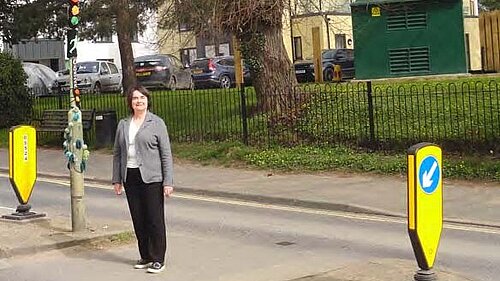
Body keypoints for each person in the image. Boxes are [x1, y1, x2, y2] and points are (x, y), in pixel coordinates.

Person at [112, 85, 174, 274]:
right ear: (130, 102)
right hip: (130, 176)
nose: (138, 101)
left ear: (147, 101)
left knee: (154, 219)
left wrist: (168, 181)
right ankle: (145, 255)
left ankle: (158, 258)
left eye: (142, 98)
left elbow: (166, 154)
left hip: (152, 177)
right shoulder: (123, 124)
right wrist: (117, 179)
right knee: (138, 218)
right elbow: (117, 153)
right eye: (135, 98)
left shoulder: (156, 123)